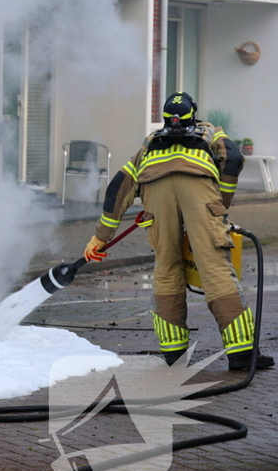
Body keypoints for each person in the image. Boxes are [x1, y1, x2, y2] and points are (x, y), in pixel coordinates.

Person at [85, 91, 273, 370]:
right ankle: (242, 353)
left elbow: (119, 187)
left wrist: (101, 236)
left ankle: (174, 352)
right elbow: (232, 156)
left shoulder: (151, 142)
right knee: (214, 268)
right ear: (193, 114)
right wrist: (221, 202)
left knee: (166, 268)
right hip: (199, 190)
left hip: (156, 193)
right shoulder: (209, 131)